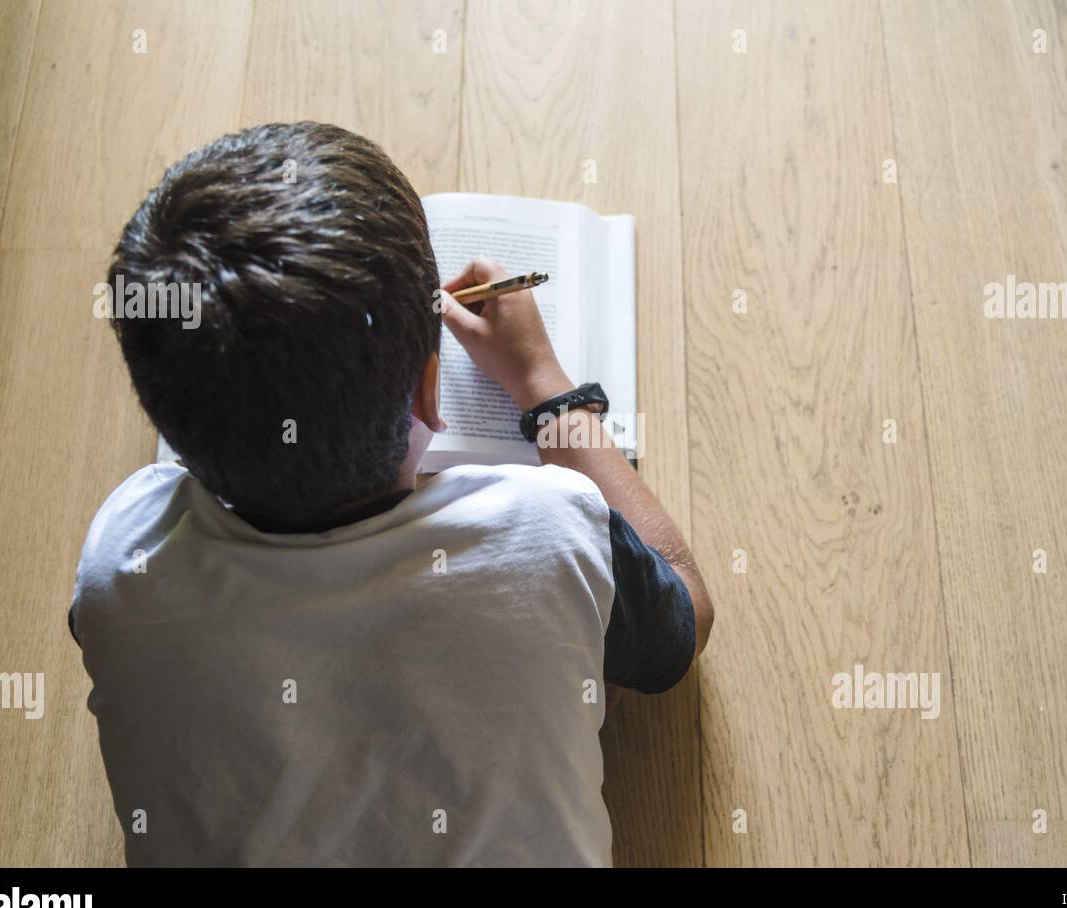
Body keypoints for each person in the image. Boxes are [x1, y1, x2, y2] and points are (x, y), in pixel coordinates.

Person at [70, 122, 714, 866]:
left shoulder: (122, 564)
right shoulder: (551, 533)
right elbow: (686, 611)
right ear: (431, 388)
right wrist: (545, 385)